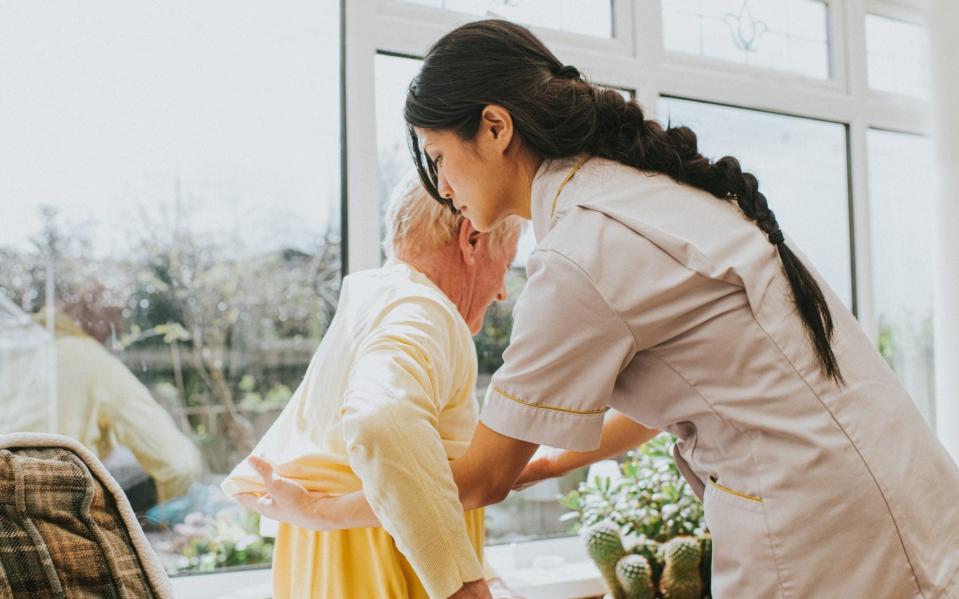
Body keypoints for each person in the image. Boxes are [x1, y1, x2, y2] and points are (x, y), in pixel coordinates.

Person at [241, 19, 959, 599]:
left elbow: (480, 474)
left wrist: (324, 511)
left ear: (494, 128)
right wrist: (549, 462)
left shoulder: (579, 250)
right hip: (897, 486)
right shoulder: (632, 194)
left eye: (437, 155)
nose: (440, 183)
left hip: (825, 529)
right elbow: (699, 383)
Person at [223, 173, 522, 599]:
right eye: (506, 264)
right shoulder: (422, 310)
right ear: (471, 240)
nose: (502, 294)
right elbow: (382, 420)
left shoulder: (372, 303)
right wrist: (463, 585)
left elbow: (422, 474)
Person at [0, 306, 202, 506]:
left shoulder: (15, 350)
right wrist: (168, 520)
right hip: (45, 515)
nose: (120, 327)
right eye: (116, 312)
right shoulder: (92, 360)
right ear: (88, 309)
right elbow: (180, 466)